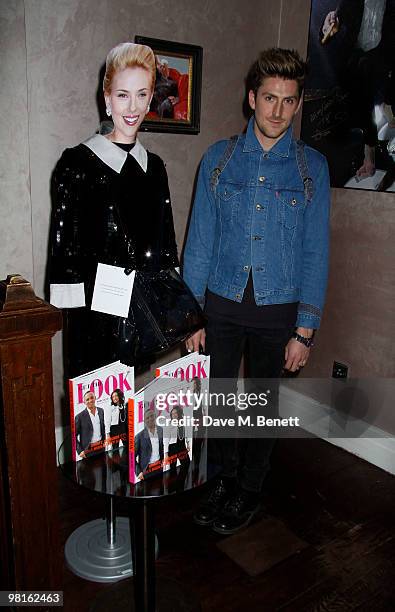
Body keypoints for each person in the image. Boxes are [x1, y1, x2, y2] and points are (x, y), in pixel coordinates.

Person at [183, 47, 331, 535]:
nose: (278, 111)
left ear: (298, 103)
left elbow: (315, 251)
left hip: (279, 309)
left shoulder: (312, 169)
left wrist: (304, 331)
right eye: (269, 98)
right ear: (252, 98)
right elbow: (199, 240)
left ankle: (249, 487)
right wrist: (192, 318)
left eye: (289, 101)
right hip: (221, 303)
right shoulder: (218, 160)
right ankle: (223, 481)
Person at [48, 42, 180, 376]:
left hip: (138, 313)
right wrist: (72, 319)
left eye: (141, 94)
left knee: (130, 409)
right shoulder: (77, 162)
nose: (132, 106)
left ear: (151, 98)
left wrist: (172, 305)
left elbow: (165, 244)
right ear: (107, 99)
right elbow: (64, 249)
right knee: (97, 409)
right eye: (122, 95)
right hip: (91, 319)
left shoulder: (155, 167)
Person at [321, 0, 395, 179]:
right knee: (364, 106)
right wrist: (329, 25)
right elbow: (333, 27)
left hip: (386, 57)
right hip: (358, 58)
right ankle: (369, 160)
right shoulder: (349, 2)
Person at [134, 408, 164, 480]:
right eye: (147, 418)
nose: (150, 419)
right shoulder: (139, 436)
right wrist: (138, 472)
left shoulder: (161, 430)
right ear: (144, 421)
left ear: (155, 417)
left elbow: (162, 447)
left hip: (159, 468)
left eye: (151, 416)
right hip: (146, 470)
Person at [75, 391, 106, 458]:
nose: (90, 400)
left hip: (101, 447)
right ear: (84, 402)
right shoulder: (79, 417)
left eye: (92, 398)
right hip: (88, 449)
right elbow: (73, 436)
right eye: (87, 399)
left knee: (103, 467)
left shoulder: (101, 411)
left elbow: (103, 427)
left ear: (95, 398)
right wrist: (79, 451)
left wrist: (104, 442)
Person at [165, 405, 191, 473]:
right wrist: (166, 453)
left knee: (186, 463)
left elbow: (186, 434)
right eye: (172, 414)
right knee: (173, 468)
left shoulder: (183, 423)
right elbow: (166, 440)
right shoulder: (169, 425)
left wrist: (188, 445)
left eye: (175, 413)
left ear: (179, 413)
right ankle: (174, 482)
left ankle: (181, 480)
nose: (174, 415)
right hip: (172, 447)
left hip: (182, 446)